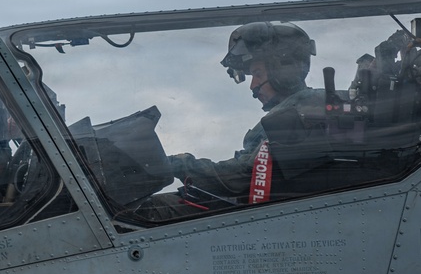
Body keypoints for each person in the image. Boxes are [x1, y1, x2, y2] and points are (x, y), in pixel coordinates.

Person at [135, 22, 321, 220]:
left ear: (283, 71)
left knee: (146, 212)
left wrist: (174, 164)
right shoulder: (298, 111)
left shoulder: (301, 113)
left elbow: (241, 178)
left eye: (257, 74)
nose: (253, 86)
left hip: (268, 218)